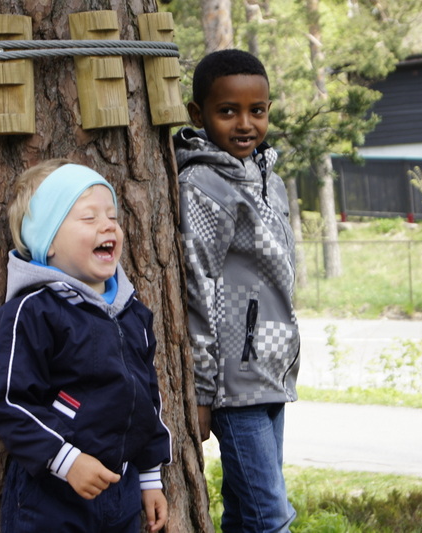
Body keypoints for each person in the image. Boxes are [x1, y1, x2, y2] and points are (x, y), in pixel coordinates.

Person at [0, 160, 171, 533]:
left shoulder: (133, 313)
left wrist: (150, 479)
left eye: (112, 216)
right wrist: (67, 460)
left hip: (120, 490)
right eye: (88, 218)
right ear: (48, 242)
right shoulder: (33, 311)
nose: (108, 225)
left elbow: (146, 399)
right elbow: (11, 402)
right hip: (51, 496)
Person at [173, 49, 300, 532]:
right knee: (271, 517)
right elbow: (196, 286)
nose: (245, 123)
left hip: (271, 374)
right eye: (228, 111)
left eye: (258, 110)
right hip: (233, 383)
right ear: (198, 114)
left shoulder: (270, 176)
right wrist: (202, 391)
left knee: (248, 514)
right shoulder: (205, 183)